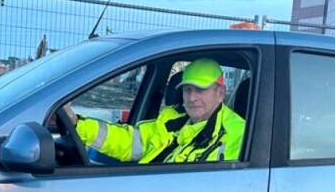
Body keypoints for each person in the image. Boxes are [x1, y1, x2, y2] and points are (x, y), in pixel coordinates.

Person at [63, 58, 245, 164]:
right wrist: (77, 125)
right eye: (187, 90)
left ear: (220, 93)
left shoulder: (237, 133)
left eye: (200, 90)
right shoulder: (171, 121)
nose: (191, 98)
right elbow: (130, 141)